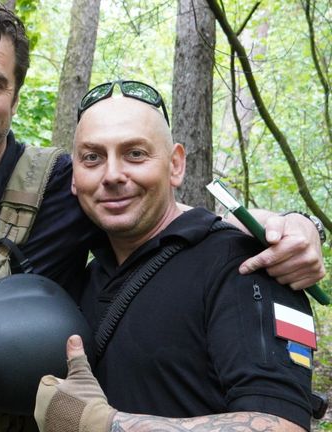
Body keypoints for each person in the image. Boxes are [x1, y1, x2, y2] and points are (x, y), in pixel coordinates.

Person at [35, 80, 316, 431]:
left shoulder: (242, 264)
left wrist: (105, 425)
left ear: (175, 165)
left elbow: (284, 426)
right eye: (92, 157)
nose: (112, 175)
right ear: (74, 177)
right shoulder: (82, 275)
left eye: (135, 154)